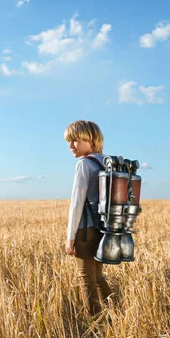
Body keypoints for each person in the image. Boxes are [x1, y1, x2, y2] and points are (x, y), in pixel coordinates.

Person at [64, 120, 113, 315]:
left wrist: (70, 237)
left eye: (75, 140)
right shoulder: (106, 161)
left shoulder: (84, 164)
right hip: (104, 228)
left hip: (86, 230)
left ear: (90, 139)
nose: (71, 146)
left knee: (86, 278)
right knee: (98, 276)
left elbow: (77, 203)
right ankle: (115, 312)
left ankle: (95, 321)